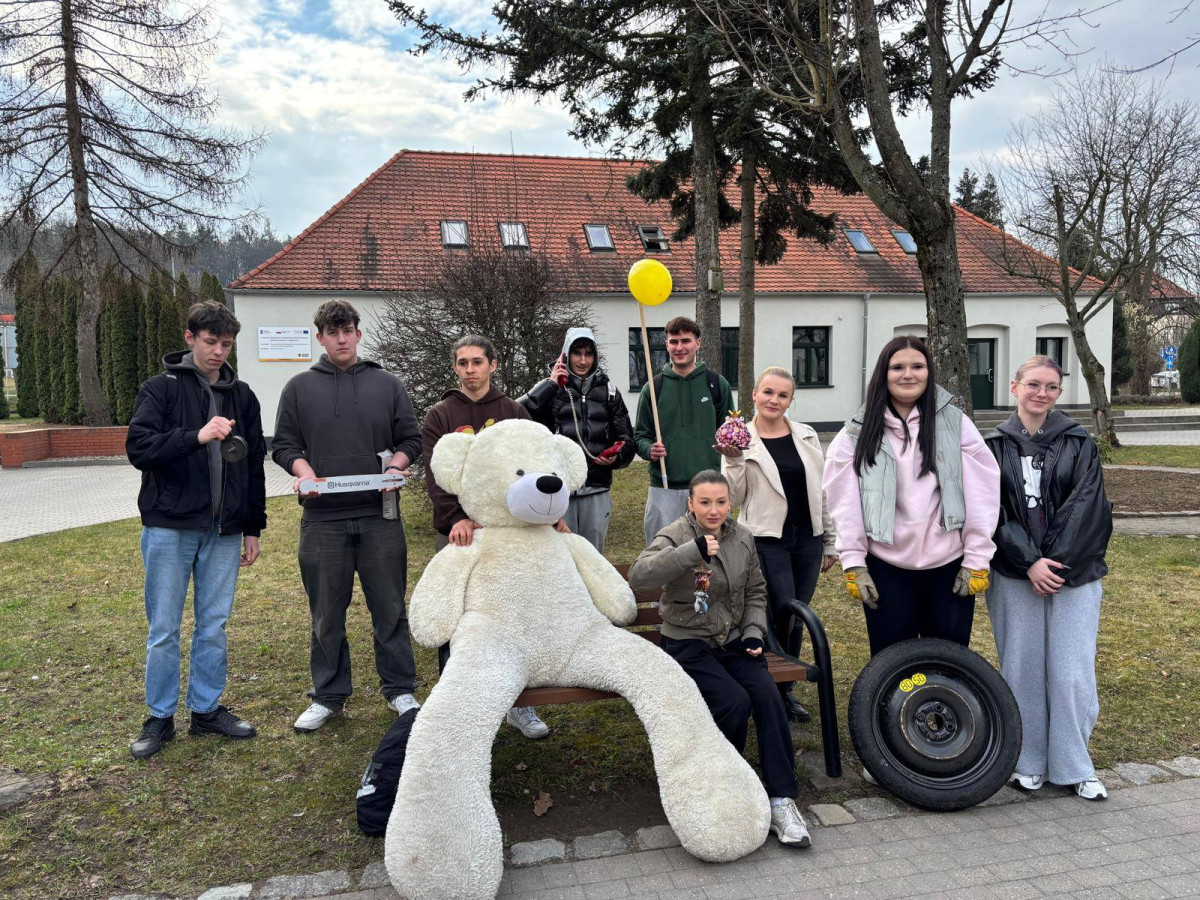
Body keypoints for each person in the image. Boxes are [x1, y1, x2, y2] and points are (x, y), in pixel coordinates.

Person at [628, 470, 811, 847]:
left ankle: (781, 799)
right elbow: (639, 576)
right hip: (688, 642)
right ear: (690, 503)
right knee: (732, 701)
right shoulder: (676, 534)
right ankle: (721, 786)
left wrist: (754, 631)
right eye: (706, 502)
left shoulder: (742, 537)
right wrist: (690, 552)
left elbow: (756, 591)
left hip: (733, 640)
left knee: (767, 696)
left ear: (731, 503)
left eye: (721, 502)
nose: (714, 510)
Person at [272, 299, 422, 733]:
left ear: (359, 333)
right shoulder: (298, 388)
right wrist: (303, 472)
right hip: (323, 520)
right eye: (332, 332)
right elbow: (284, 446)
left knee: (390, 607)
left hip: (380, 518)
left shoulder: (387, 384)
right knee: (325, 613)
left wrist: (396, 466)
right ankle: (328, 696)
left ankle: (399, 688)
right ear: (320, 338)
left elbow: (410, 438)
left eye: (347, 330)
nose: (341, 338)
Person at [125, 300, 266, 759]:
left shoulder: (242, 396)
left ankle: (205, 711)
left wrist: (252, 527)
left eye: (226, 344)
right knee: (164, 627)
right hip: (170, 527)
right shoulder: (160, 389)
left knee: (214, 625)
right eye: (210, 342)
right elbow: (140, 449)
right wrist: (196, 436)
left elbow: (255, 468)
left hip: (225, 530)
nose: (218, 352)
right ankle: (159, 718)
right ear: (190, 339)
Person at [985, 355, 1113, 801]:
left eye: (1051, 387)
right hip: (1015, 576)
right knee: (1021, 667)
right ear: (1014, 388)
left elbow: (1088, 507)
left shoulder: (1080, 443)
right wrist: (1027, 562)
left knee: (1071, 672)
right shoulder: (992, 447)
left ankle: (1075, 765)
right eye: (1033, 384)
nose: (1042, 393)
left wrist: (1052, 564)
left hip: (1073, 574)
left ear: (1059, 393)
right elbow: (990, 512)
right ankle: (1027, 760)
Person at [822, 336, 1000, 657]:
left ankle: (942, 709)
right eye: (897, 367)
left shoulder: (956, 424)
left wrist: (976, 558)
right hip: (885, 568)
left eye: (917, 366)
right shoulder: (855, 433)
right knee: (892, 663)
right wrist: (854, 562)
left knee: (949, 660)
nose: (908, 374)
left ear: (929, 372)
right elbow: (844, 504)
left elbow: (982, 493)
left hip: (949, 566)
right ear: (883, 374)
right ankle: (894, 710)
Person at [421, 334, 552, 740]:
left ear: (492, 365)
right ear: (455, 368)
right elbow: (436, 476)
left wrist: (538, 519)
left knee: (516, 615)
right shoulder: (440, 416)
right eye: (462, 363)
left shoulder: (514, 412)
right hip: (462, 535)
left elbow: (533, 467)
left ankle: (522, 704)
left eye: (477, 361)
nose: (470, 370)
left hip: (510, 535)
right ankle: (455, 702)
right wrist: (455, 517)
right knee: (459, 616)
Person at [716, 366, 838, 723]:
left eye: (782, 395)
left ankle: (785, 689)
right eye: (768, 392)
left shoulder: (807, 435)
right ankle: (769, 688)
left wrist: (829, 540)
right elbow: (734, 496)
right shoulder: (740, 438)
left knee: (797, 616)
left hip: (808, 540)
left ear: (791, 400)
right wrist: (733, 458)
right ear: (754, 394)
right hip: (767, 540)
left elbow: (821, 491)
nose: (774, 400)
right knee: (777, 611)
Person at [518, 327, 636, 552]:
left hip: (596, 489)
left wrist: (617, 456)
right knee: (560, 557)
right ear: (565, 355)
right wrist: (550, 385)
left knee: (593, 556)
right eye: (576, 353)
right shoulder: (551, 388)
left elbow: (627, 439)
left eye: (588, 354)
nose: (583, 360)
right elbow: (517, 414)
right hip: (560, 490)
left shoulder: (609, 392)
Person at [634, 316, 735, 546]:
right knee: (664, 555)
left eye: (686, 341)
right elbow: (640, 436)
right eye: (673, 341)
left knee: (712, 558)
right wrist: (649, 449)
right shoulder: (653, 387)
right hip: (665, 487)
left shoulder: (717, 385)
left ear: (697, 343)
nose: (679, 347)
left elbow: (730, 434)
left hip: (708, 488)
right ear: (667, 344)